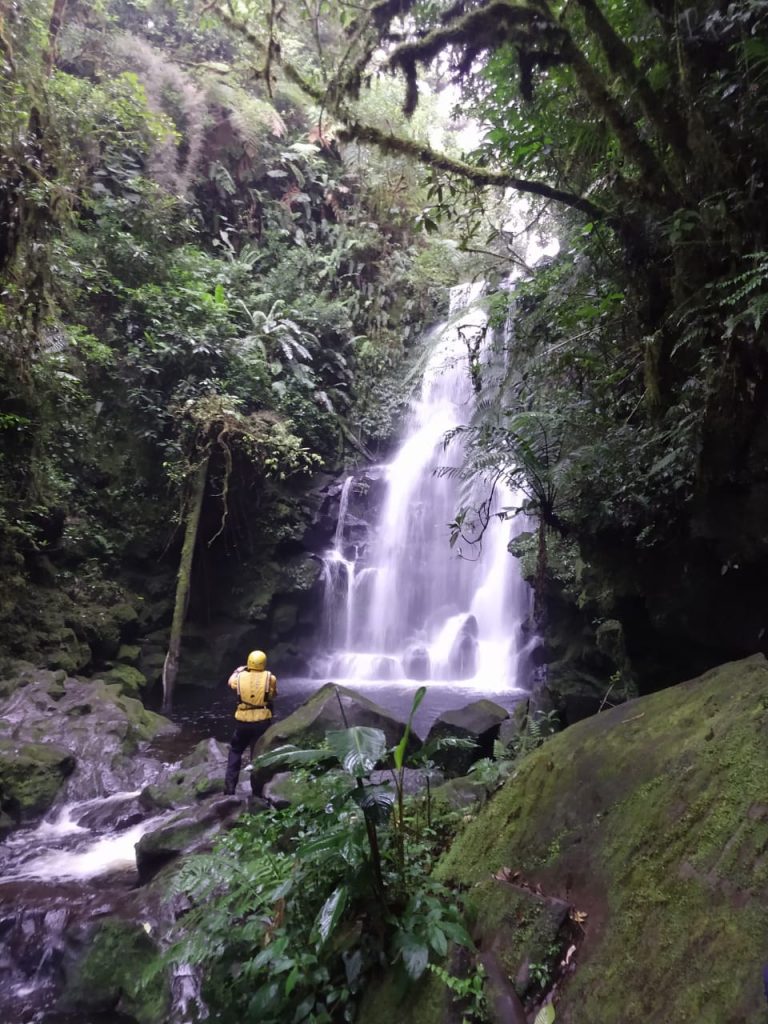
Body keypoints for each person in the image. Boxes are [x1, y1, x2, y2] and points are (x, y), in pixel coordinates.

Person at [223, 649, 277, 796]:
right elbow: (273, 695)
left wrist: (237, 670)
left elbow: (230, 682)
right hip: (262, 722)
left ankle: (229, 788)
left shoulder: (239, 677)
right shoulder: (270, 678)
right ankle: (257, 792)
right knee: (257, 756)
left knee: (235, 751)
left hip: (243, 721)